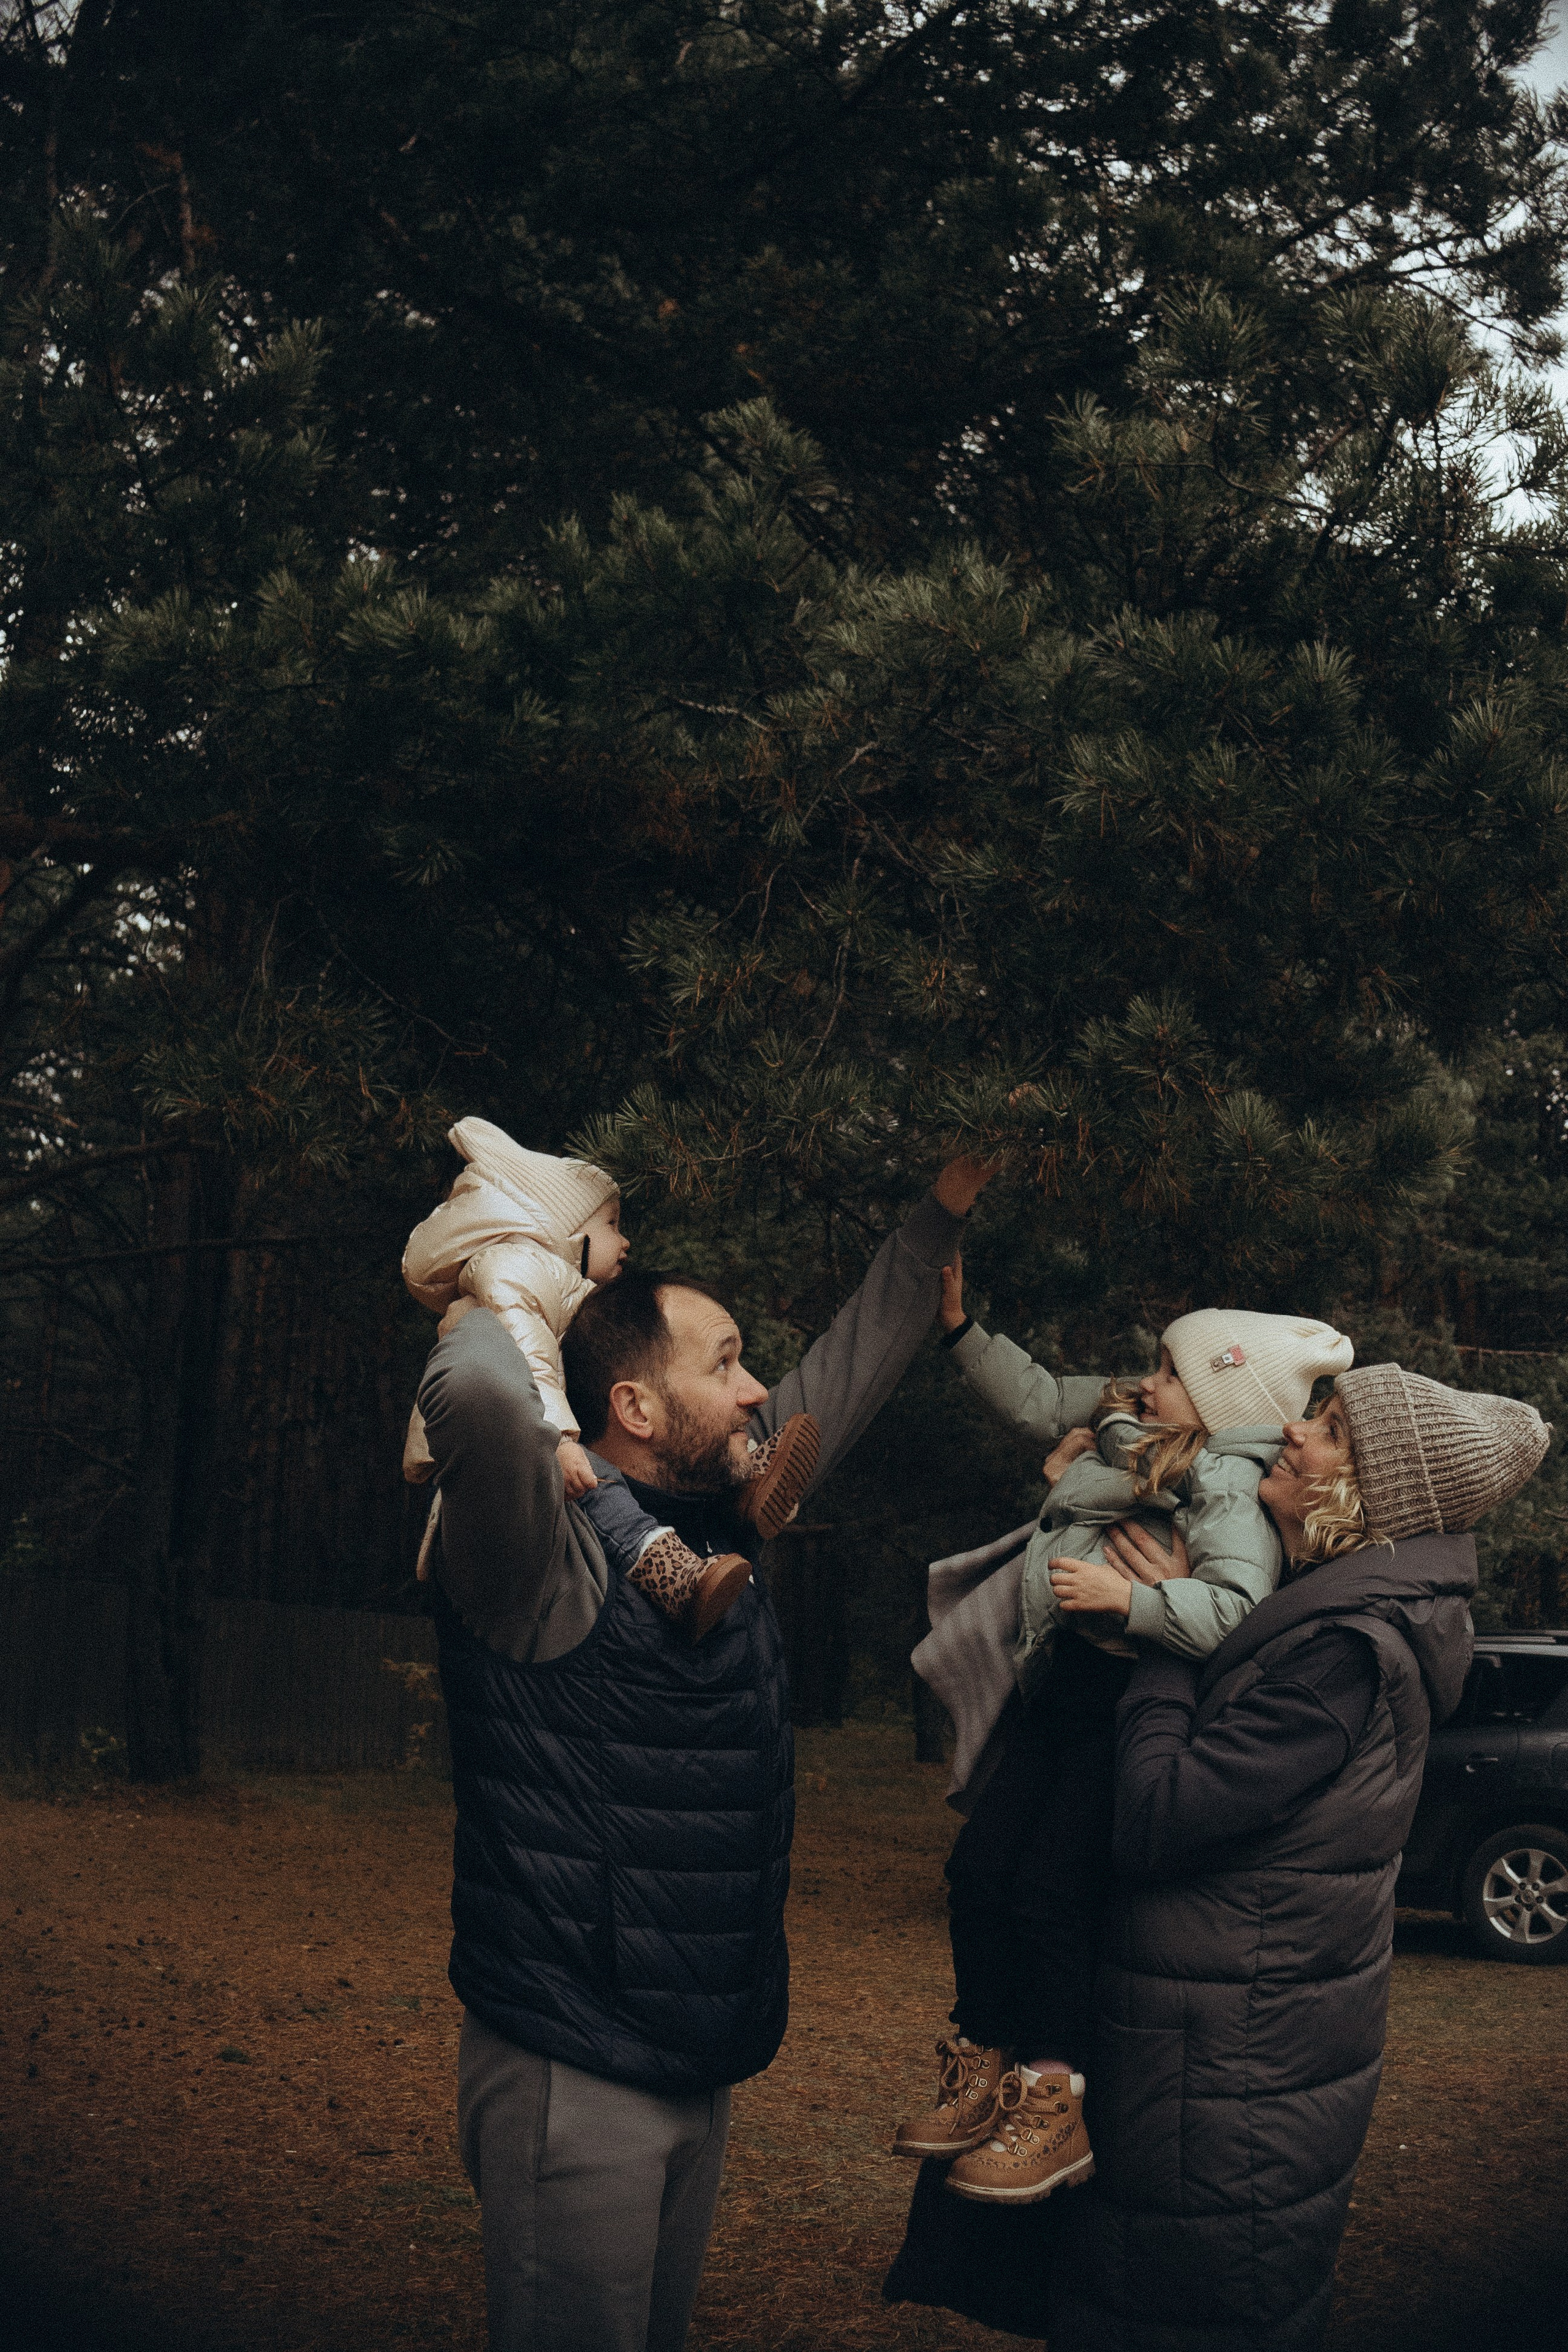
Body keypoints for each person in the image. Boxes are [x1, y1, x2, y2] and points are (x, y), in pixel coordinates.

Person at [413, 1150, 995, 2352]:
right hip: (573, 2068)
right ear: (628, 1407)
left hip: (691, 2052)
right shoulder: (536, 1554)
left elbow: (853, 1362)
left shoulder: (717, 1521)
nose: (755, 1392)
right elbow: (473, 1394)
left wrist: (940, 1208)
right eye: (725, 1363)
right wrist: (510, 1279)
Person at [1050, 1361, 1551, 2351]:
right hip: (1233, 2047)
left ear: (1360, 1493)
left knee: (1191, 2313)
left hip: (1230, 2072)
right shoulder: (1331, 1616)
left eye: (1324, 1428)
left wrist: (1160, 1640)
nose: (1292, 1433)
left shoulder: (1339, 1652)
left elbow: (1158, 1813)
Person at [893, 1291, 1352, 2204]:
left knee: (1048, 1896)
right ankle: (981, 2062)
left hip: (1118, 1706)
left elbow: (1235, 1610)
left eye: (1174, 1373)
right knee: (978, 1874)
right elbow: (1036, 1395)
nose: (1149, 1381)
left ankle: (1055, 2101)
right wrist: (958, 1330)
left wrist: (1133, 1604)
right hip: (1060, 1693)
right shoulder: (1142, 1434)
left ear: (1225, 1400)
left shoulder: (1224, 1485)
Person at [401, 1116, 820, 1634]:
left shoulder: (565, 1287)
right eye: (612, 1225)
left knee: (616, 1481)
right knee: (602, 1491)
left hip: (544, 1431)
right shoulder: (516, 1269)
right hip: (532, 1443)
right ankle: (678, 1578)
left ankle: (743, 1479)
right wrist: (559, 1436)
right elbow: (526, 1356)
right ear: (566, 1229)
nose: (624, 1242)